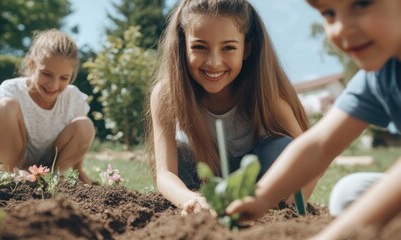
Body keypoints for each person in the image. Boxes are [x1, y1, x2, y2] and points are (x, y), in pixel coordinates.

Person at [226, 0, 401, 239]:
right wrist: (262, 196)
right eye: (329, 13)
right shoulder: (380, 77)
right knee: (349, 193)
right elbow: (319, 145)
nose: (340, 28)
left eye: (361, 4)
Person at [145, 0, 316, 215]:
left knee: (282, 147)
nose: (214, 62)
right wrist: (191, 199)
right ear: (182, 45)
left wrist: (289, 210)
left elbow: (310, 157)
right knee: (179, 154)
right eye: (199, 47)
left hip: (261, 190)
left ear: (247, 49)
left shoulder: (267, 96)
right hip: (201, 186)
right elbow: (166, 173)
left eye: (228, 48)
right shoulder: (165, 95)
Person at [0, 29, 95, 184]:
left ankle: (57, 178)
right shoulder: (12, 89)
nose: (53, 85)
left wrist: (78, 169)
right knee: (6, 106)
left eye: (64, 78)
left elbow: (81, 138)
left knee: (85, 125)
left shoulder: (73, 97)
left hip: (53, 160)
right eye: (46, 74)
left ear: (71, 75)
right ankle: (9, 174)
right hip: (18, 158)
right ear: (32, 65)